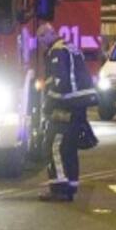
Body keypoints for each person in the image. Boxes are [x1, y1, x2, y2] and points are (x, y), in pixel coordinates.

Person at [38, 22, 97, 201]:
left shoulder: (56, 51)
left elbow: (60, 81)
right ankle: (71, 186)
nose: (40, 42)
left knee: (55, 145)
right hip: (80, 104)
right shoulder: (71, 48)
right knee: (70, 147)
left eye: (41, 38)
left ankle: (59, 188)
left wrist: (48, 103)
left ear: (49, 35)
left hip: (66, 104)